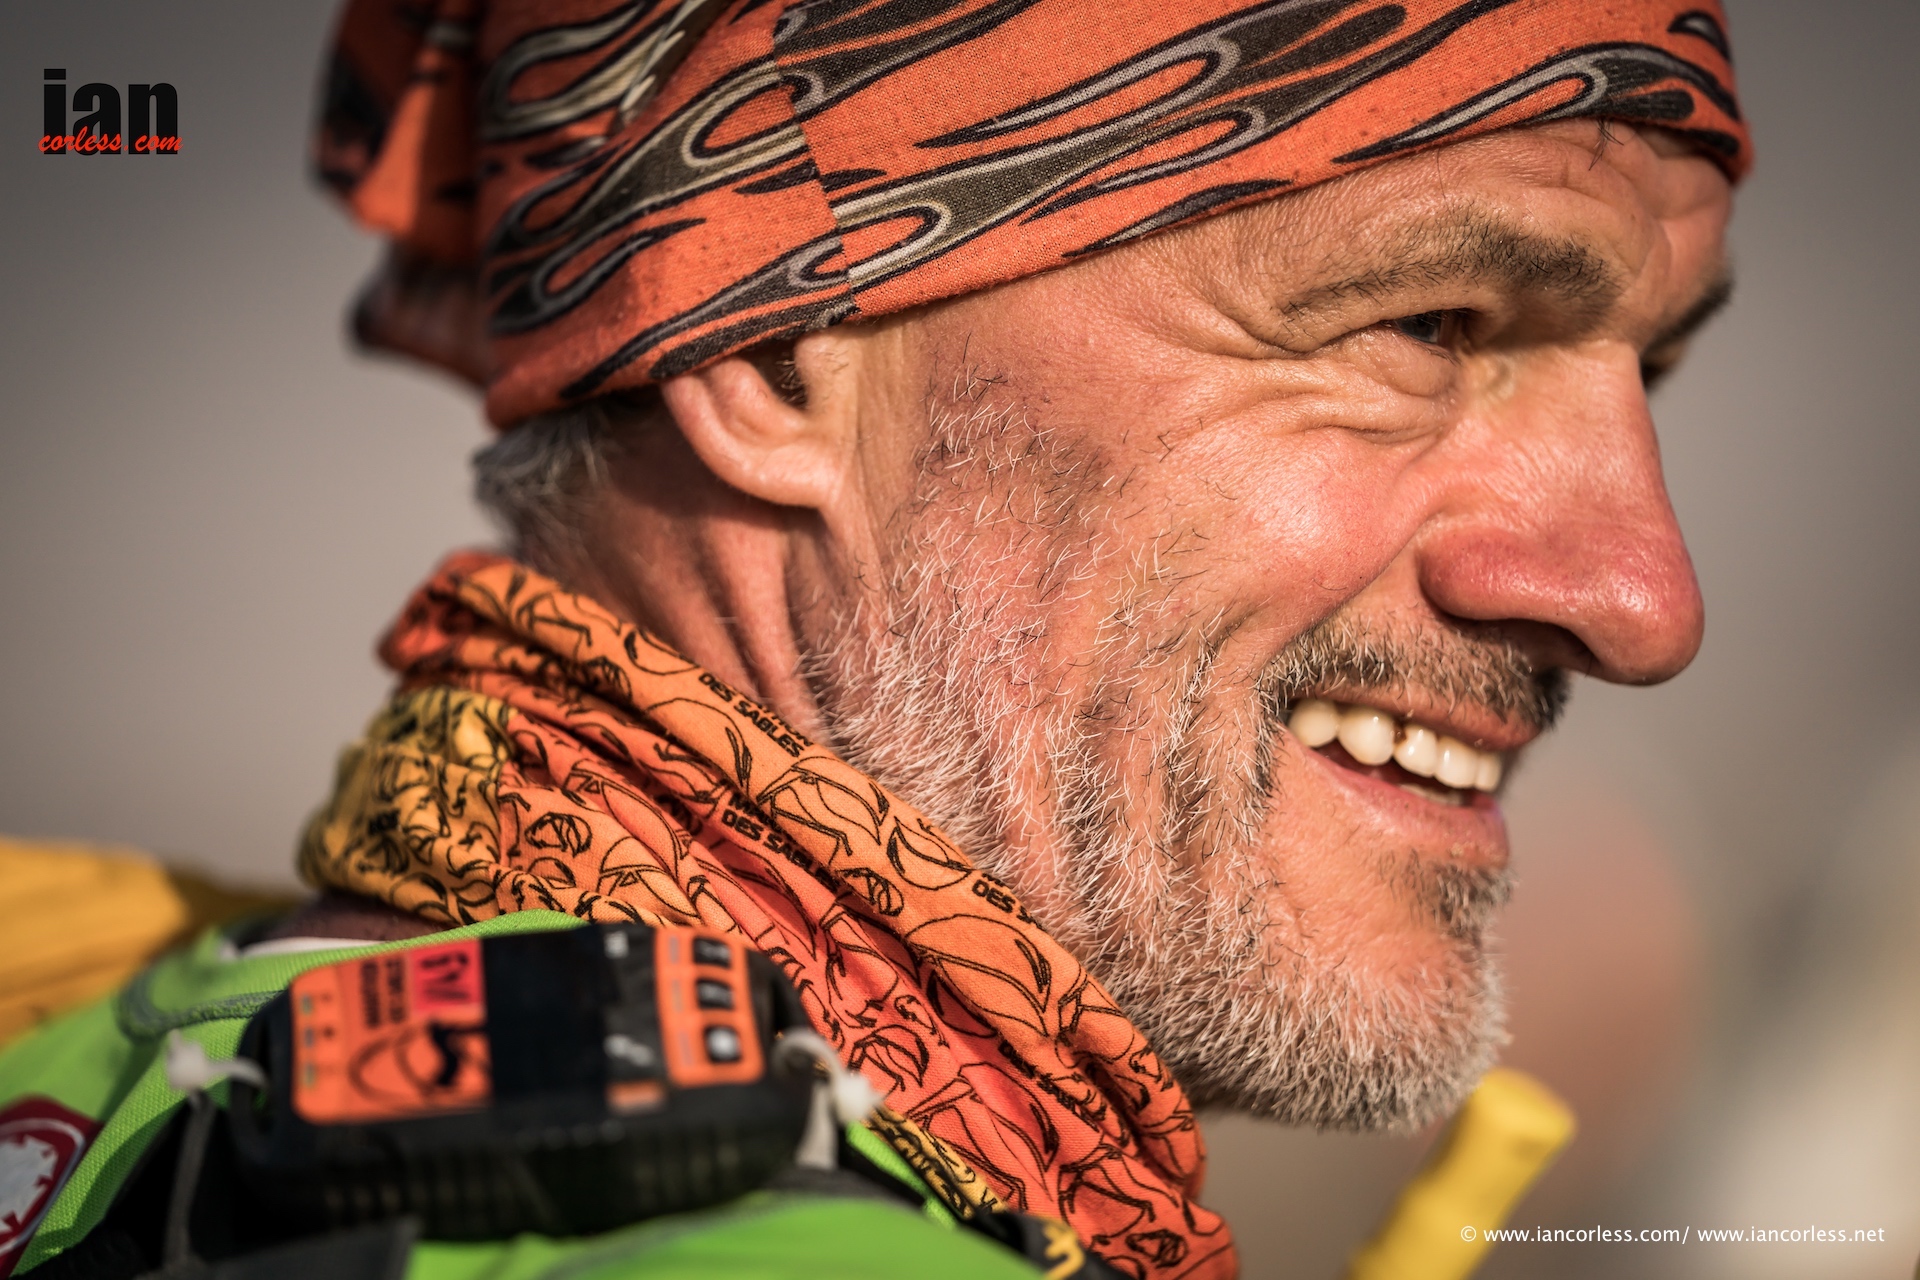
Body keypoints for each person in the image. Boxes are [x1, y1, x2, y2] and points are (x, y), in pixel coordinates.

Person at [0, 1, 1748, 1276]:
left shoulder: (113, 1035)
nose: (1644, 598)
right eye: (1428, 324)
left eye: (1652, 372)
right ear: (774, 360)